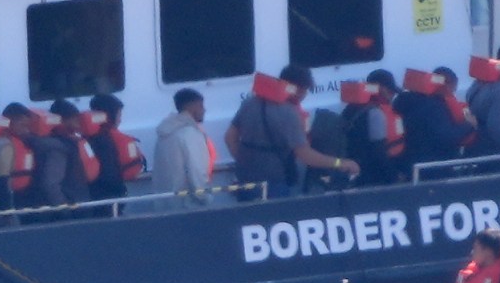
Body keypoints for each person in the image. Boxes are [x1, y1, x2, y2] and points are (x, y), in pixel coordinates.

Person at [225, 64, 360, 200]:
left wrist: (246, 163)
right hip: (274, 184)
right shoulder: (289, 112)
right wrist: (340, 163)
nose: (305, 95)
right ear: (298, 89)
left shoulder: (250, 103)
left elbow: (229, 138)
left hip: (244, 181)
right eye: (305, 90)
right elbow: (306, 155)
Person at [394, 66, 476, 174]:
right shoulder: (434, 107)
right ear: (445, 85)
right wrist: (469, 125)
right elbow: (446, 137)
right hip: (433, 168)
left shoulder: (406, 101)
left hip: (409, 164)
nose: (453, 93)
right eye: (453, 88)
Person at [341, 69, 406, 186]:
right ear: (379, 88)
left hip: (355, 173)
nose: (393, 95)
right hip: (372, 176)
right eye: (390, 91)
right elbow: (378, 152)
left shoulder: (351, 108)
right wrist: (394, 176)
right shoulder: (375, 113)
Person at [27, 100, 91, 217]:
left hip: (76, 204)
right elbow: (51, 184)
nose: (79, 121)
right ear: (62, 121)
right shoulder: (58, 148)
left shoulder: (60, 141)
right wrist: (65, 210)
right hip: (73, 208)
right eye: (74, 118)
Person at [152, 88, 214, 209]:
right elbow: (197, 171)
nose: (204, 110)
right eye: (201, 106)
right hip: (188, 206)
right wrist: (205, 198)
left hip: (165, 206)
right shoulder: (189, 134)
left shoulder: (164, 134)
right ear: (192, 107)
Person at [88, 93, 145, 214]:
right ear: (111, 115)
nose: (120, 119)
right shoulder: (110, 140)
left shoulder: (85, 137)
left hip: (92, 196)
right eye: (119, 114)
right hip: (110, 198)